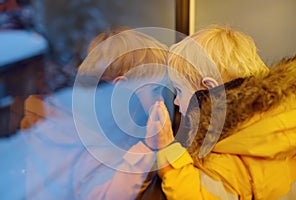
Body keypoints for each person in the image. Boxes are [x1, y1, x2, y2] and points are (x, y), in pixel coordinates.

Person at [0, 28, 172, 199]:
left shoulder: (94, 121)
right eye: (155, 90)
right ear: (121, 89)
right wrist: (147, 148)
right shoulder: (86, 138)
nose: (160, 101)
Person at [148, 25, 296, 199]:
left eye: (180, 91)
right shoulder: (275, 118)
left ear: (210, 90)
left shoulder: (234, 145)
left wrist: (167, 149)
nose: (176, 101)